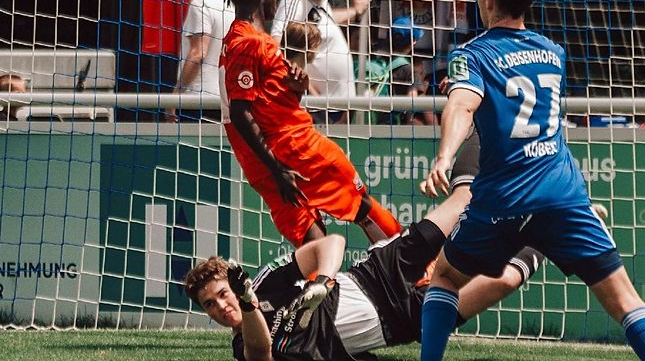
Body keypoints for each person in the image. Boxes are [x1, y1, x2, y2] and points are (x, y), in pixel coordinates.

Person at [419, 0, 645, 361]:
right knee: (625, 299)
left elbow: (462, 106)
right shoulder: (552, 52)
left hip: (503, 197)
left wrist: (444, 157)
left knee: (445, 276)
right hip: (562, 195)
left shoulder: (472, 55)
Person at [182, 137, 544, 361]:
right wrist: (247, 305)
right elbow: (260, 354)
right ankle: (550, 229)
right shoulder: (242, 348)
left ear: (233, 281)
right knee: (503, 281)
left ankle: (490, 122)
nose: (220, 306)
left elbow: (332, 242)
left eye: (221, 294)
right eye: (209, 305)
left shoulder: (268, 282)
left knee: (464, 200)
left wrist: (322, 280)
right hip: (401, 322)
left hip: (377, 274)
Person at [218, 0, 401, 246]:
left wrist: (295, 86)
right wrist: (276, 168)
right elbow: (240, 111)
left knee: (313, 238)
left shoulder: (239, 39)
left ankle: (319, 286)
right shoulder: (248, 43)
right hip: (292, 145)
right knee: (360, 202)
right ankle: (417, 276)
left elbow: (264, 98)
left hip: (274, 152)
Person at [270, 0, 368, 125]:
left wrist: (355, 11)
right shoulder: (295, 1)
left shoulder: (316, 0)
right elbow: (278, 45)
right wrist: (307, 88)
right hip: (321, 107)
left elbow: (328, 20)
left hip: (334, 105)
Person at [167, 0, 236, 122]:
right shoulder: (231, 4)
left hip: (198, 99)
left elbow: (198, 53)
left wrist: (175, 97)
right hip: (226, 97)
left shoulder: (200, 3)